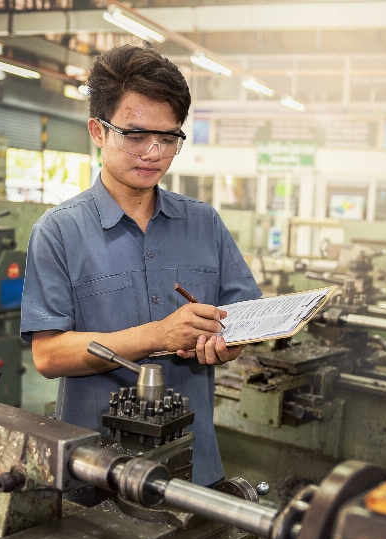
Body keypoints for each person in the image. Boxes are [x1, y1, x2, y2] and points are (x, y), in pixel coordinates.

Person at [20, 45, 262, 487]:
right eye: (135, 135)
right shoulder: (58, 232)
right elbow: (48, 354)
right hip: (94, 469)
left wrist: (227, 344)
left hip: (193, 466)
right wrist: (159, 335)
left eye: (168, 138)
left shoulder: (203, 223)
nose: (153, 151)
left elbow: (243, 321)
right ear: (98, 130)